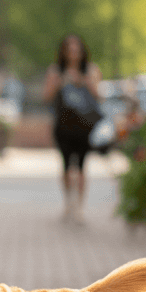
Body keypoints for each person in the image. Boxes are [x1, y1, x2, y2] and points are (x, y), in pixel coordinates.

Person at [43, 34, 103, 223]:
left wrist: (84, 81)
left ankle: (80, 207)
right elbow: (46, 96)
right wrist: (61, 81)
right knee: (66, 164)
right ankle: (68, 203)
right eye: (70, 49)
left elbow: (99, 96)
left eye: (77, 49)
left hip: (85, 124)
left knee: (83, 166)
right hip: (64, 124)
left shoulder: (90, 70)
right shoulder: (56, 71)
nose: (73, 53)